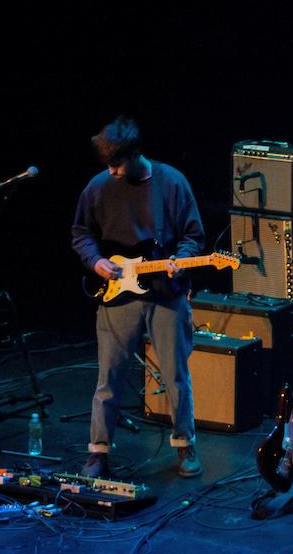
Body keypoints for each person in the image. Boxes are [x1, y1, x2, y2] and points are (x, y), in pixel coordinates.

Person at [71, 116, 205, 479]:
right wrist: (96, 261)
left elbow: (193, 235)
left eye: (117, 163)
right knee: (109, 378)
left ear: (134, 154)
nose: (112, 171)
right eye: (108, 164)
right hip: (118, 296)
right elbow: (81, 233)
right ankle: (98, 452)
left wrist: (181, 259)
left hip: (167, 295)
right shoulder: (99, 187)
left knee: (176, 377)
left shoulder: (172, 182)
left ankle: (185, 444)